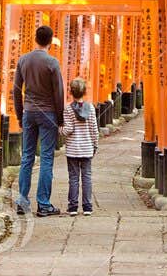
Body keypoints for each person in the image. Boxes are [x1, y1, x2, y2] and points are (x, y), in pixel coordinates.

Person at [12, 24, 65, 216]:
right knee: (46, 158)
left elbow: (16, 90)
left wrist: (20, 114)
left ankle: (22, 201)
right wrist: (60, 119)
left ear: (35, 38)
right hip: (48, 113)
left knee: (27, 157)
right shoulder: (52, 63)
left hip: (29, 112)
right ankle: (43, 204)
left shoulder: (23, 60)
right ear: (51, 41)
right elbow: (58, 93)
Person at [62, 77, 101, 216]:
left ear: (71, 92)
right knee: (87, 177)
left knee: (73, 178)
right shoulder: (90, 107)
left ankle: (73, 207)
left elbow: (68, 130)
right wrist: (95, 145)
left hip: (72, 149)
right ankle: (87, 207)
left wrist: (59, 130)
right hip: (87, 148)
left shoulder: (68, 109)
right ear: (84, 92)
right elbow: (94, 130)